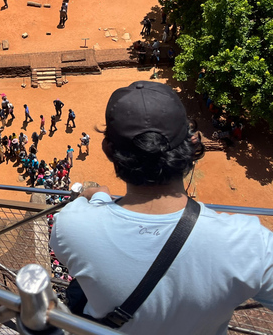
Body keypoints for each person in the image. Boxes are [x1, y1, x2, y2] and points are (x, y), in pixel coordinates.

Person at [51, 81, 273, 334]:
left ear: (108, 149)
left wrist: (99, 197)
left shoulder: (71, 223)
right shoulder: (250, 243)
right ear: (191, 144)